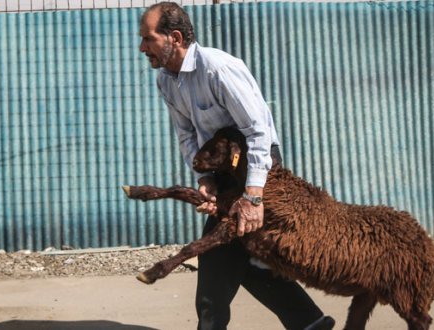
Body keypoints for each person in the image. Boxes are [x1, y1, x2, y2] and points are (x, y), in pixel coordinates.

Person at [139, 2, 335, 330]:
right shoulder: (166, 81)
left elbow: (258, 129)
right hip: (224, 173)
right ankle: (311, 323)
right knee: (246, 262)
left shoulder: (217, 68)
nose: (142, 47)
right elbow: (186, 134)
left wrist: (254, 195)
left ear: (174, 37)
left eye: (148, 39)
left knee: (218, 258)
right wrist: (205, 179)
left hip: (257, 169)